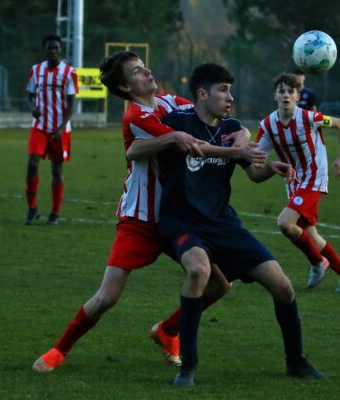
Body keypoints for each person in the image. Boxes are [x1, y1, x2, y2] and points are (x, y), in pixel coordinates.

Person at [32, 51, 261, 373]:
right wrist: (235, 149)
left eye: (144, 67)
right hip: (140, 220)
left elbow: (209, 111)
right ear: (126, 87)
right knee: (106, 297)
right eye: (138, 72)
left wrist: (243, 132)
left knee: (219, 285)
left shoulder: (170, 103)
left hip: (179, 217)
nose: (148, 72)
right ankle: (60, 349)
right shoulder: (135, 116)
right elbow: (191, 142)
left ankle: (167, 331)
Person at [156, 63, 326, 386]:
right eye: (223, 90)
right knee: (198, 271)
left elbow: (252, 173)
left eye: (231, 90)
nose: (230, 97)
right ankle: (188, 365)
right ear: (202, 93)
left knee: (283, 286)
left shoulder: (232, 127)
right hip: (182, 222)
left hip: (223, 223)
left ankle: (296, 362)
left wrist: (271, 166)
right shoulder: (177, 122)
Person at [256, 73, 340, 292]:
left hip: (315, 176)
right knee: (310, 234)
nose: (286, 95)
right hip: (294, 182)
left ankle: (317, 263)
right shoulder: (267, 125)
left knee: (285, 223)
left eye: (290, 91)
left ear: (297, 95)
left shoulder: (310, 117)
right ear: (275, 95)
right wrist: (236, 151)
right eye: (281, 91)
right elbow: (257, 158)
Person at [24, 34, 78, 225]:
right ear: (44, 50)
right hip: (39, 126)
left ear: (60, 49)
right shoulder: (36, 70)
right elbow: (30, 95)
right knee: (32, 164)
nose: (53, 51)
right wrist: (32, 108)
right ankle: (32, 210)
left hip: (60, 127)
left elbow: (72, 105)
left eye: (56, 47)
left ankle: (55, 213)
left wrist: (61, 127)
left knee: (56, 170)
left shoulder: (69, 72)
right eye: (50, 48)